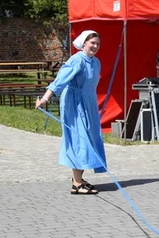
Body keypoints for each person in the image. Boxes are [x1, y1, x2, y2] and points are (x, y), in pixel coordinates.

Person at [35, 30, 108, 194]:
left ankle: (79, 179)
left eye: (97, 43)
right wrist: (45, 98)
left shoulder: (96, 62)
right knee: (79, 138)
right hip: (74, 104)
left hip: (88, 103)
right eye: (92, 43)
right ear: (84, 44)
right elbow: (60, 81)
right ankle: (76, 183)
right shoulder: (76, 60)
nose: (95, 46)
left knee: (90, 137)